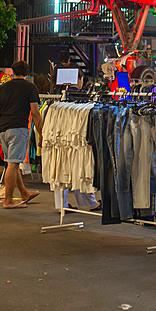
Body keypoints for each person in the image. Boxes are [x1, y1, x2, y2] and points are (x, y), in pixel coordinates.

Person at [55, 50, 100, 211]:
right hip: (79, 138)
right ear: (80, 79)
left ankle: (61, 205)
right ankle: (90, 203)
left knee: (61, 169)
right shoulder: (85, 99)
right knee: (82, 169)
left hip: (61, 138)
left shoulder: (60, 99)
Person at [0, 60, 43, 209]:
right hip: (19, 127)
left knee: (12, 162)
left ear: (13, 71)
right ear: (27, 73)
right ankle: (8, 200)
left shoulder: (3, 87)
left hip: (4, 128)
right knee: (13, 164)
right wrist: (41, 133)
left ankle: (24, 193)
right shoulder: (30, 87)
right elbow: (35, 112)